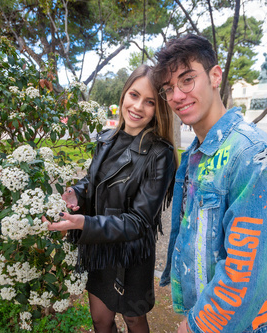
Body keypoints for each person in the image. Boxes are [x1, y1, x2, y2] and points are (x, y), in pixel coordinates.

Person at [153, 34, 267, 333]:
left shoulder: (253, 154)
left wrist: (198, 325)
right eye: (168, 89)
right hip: (205, 306)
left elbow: (249, 268)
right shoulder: (196, 154)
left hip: (240, 324)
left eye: (187, 80)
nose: (176, 96)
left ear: (215, 76)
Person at [48, 64, 177, 333]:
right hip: (99, 247)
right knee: (100, 320)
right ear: (123, 96)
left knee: (133, 319)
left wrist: (84, 223)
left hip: (131, 254)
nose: (138, 106)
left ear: (159, 109)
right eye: (134, 95)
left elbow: (140, 221)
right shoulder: (105, 138)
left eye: (150, 101)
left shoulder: (159, 153)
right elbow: (93, 181)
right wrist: (76, 191)